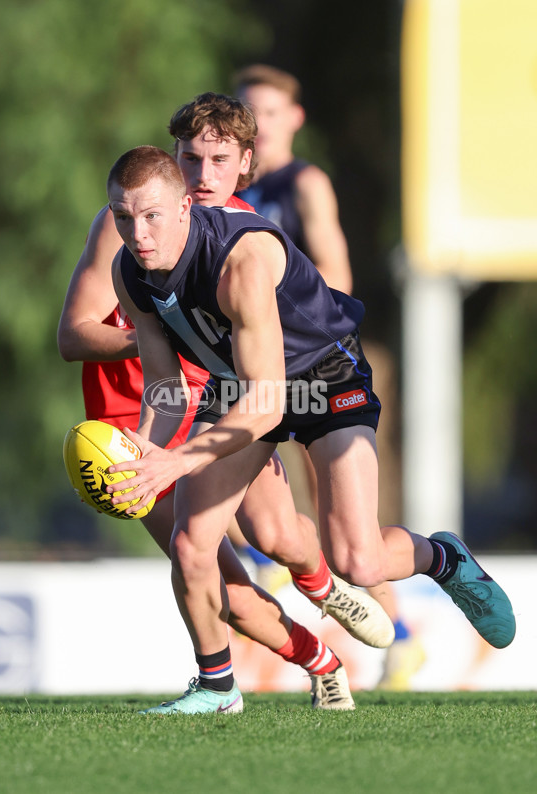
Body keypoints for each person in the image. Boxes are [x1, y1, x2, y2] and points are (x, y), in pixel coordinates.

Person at [105, 145, 516, 715]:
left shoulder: (239, 259)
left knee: (360, 561)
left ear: (183, 208)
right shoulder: (129, 271)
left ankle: (443, 558)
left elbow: (269, 405)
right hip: (242, 382)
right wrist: (143, 453)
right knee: (191, 543)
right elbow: (163, 384)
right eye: (123, 217)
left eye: (150, 215)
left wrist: (177, 462)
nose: (137, 232)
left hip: (322, 376)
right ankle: (217, 689)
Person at [58, 93, 394, 712]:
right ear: (175, 161)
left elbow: (269, 378)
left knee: (288, 537)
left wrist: (180, 438)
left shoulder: (243, 242)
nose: (204, 174)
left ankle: (325, 582)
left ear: (243, 163)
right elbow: (76, 335)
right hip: (149, 421)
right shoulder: (129, 236)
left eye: (218, 160)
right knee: (203, 560)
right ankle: (286, 671)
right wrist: (153, 430)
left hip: (250, 393)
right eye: (191, 157)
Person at [235, 63, 426, 689]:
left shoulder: (304, 181)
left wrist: (299, 340)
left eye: (268, 111)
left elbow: (335, 272)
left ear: (294, 119)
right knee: (265, 515)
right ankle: (289, 575)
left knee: (346, 538)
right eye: (247, 112)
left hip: (311, 365)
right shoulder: (224, 193)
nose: (258, 124)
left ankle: (400, 636)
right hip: (252, 369)